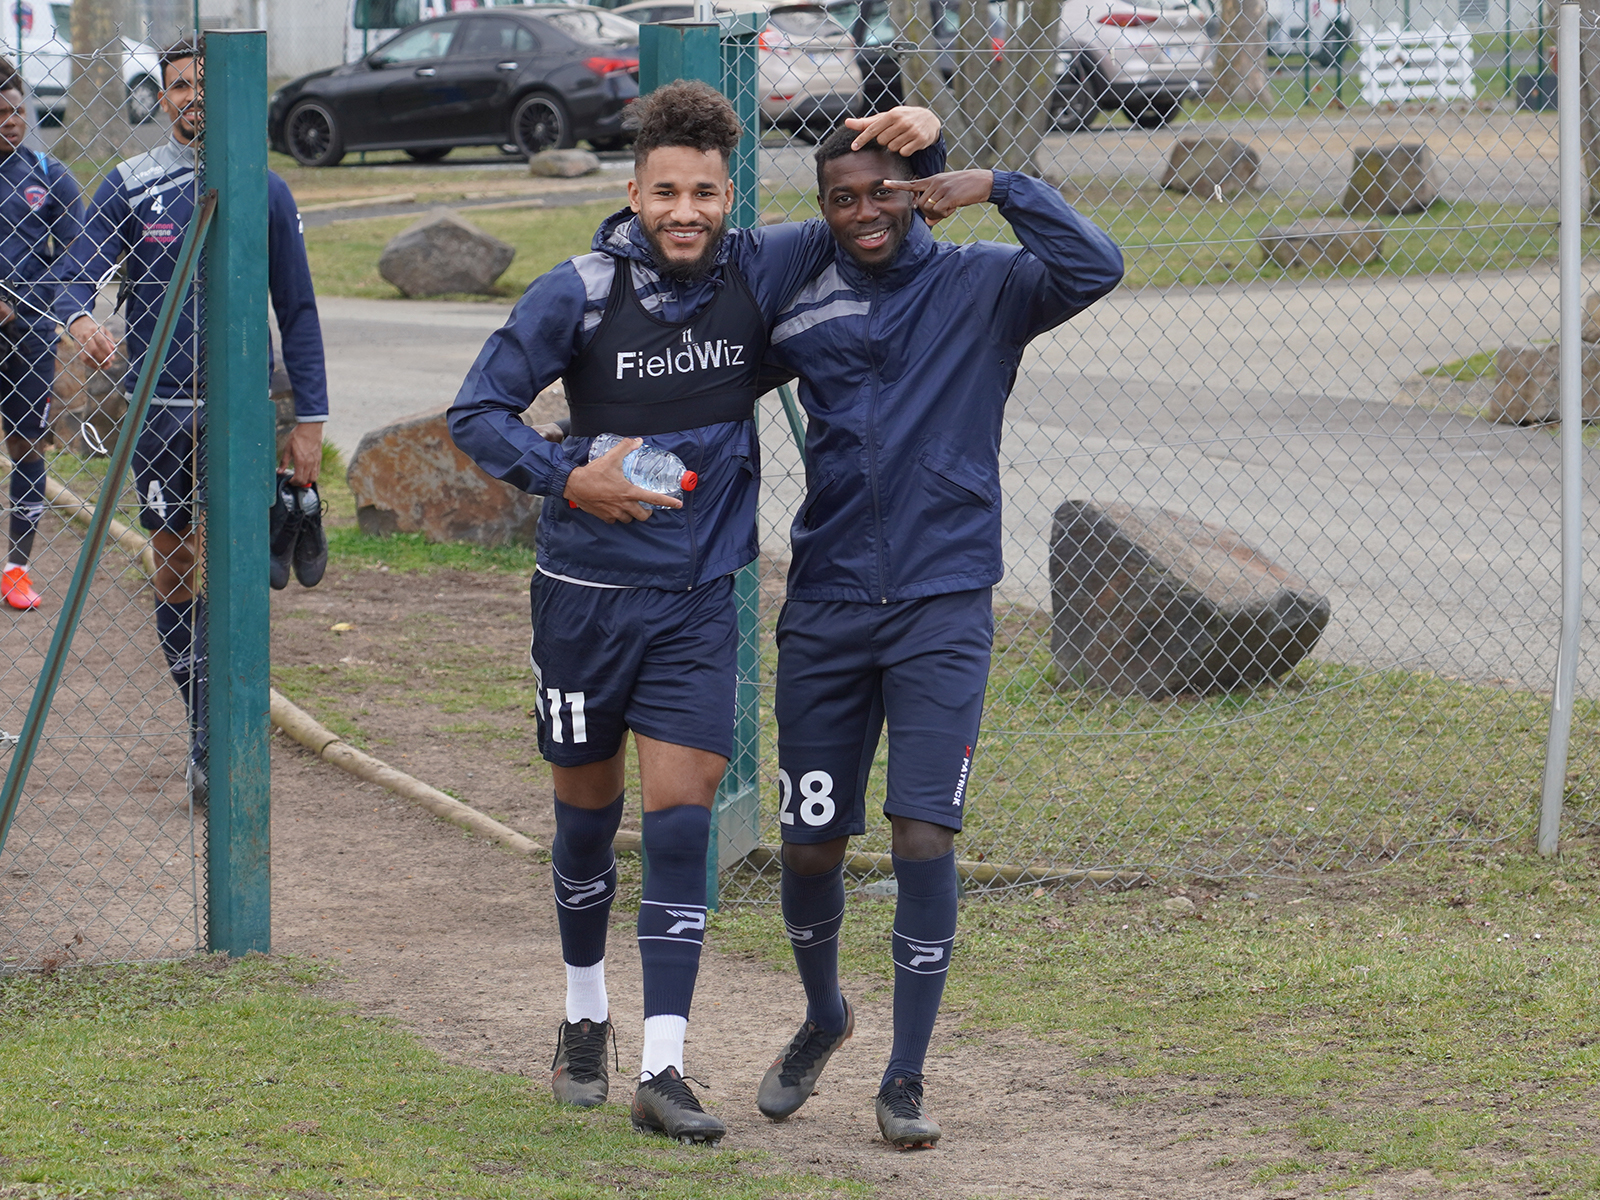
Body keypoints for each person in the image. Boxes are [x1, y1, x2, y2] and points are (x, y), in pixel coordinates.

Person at [449, 81, 942, 1145]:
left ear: (731, 198)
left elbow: (883, 206)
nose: (686, 211)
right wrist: (564, 475)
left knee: (679, 823)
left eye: (706, 193)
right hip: (582, 602)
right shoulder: (575, 291)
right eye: (666, 191)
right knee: (585, 822)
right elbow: (475, 412)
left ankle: (663, 1065)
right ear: (633, 192)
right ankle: (584, 1020)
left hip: (694, 606)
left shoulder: (760, 268)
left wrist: (924, 137)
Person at [753, 124, 1123, 1148]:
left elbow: (1096, 265)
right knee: (809, 840)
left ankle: (905, 1075)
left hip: (941, 604)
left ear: (923, 192)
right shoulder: (801, 292)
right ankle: (824, 1014)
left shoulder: (986, 285)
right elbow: (707, 371)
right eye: (841, 198)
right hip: (825, 606)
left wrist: (1001, 184)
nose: (864, 211)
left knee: (922, 831)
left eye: (885, 191)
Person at [56, 39, 330, 806]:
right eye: (178, 86)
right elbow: (78, 268)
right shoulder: (130, 186)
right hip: (162, 412)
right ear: (164, 98)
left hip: (245, 412)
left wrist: (308, 419)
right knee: (175, 566)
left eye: (204, 84)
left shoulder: (265, 188)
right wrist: (81, 318)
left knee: (241, 573)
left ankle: (223, 741)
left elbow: (299, 311)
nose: (190, 97)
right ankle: (205, 728)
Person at [0, 55, 82, 611]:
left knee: (27, 443)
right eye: (1, 112)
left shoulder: (48, 176)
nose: (13, 120)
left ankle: (15, 569)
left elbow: (81, 252)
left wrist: (26, 303)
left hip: (27, 336)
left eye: (18, 109)